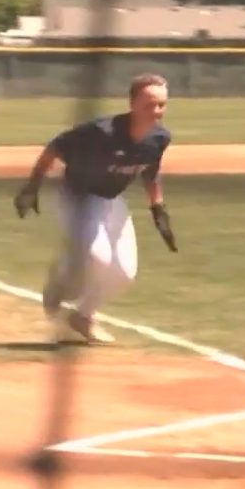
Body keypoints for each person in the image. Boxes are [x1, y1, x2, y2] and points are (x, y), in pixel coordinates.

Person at [13, 74, 179, 344]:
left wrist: (158, 209)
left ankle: (82, 316)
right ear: (132, 103)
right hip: (77, 195)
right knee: (98, 257)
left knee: (124, 273)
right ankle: (60, 280)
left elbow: (151, 173)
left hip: (111, 199)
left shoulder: (159, 138)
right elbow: (56, 147)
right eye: (150, 104)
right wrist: (32, 187)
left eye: (162, 104)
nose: (157, 111)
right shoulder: (101, 132)